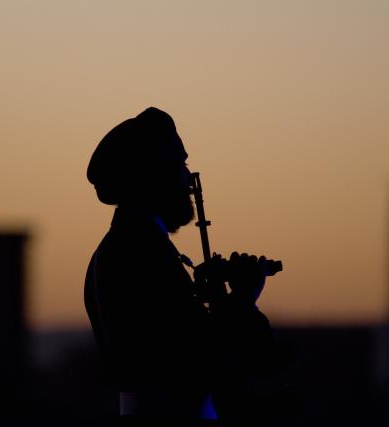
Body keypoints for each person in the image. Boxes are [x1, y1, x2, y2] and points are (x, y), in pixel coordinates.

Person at [84, 107, 293, 424]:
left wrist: (219, 301)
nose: (187, 177)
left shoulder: (123, 248)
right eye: (180, 164)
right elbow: (198, 361)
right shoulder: (140, 252)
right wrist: (241, 301)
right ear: (155, 177)